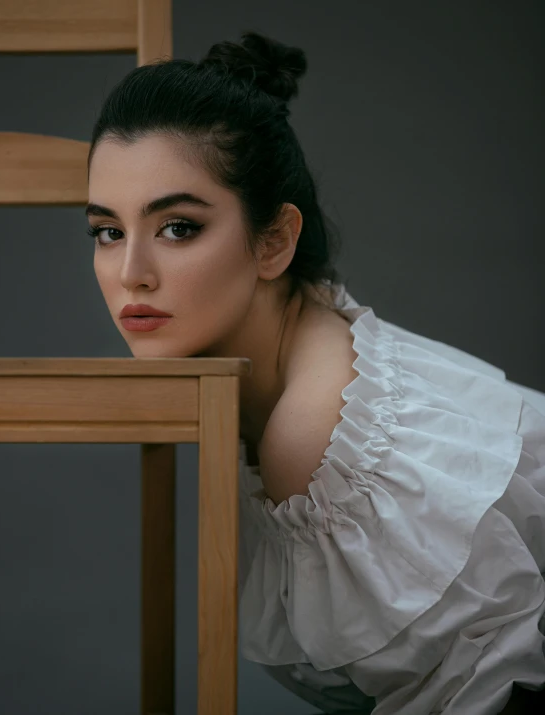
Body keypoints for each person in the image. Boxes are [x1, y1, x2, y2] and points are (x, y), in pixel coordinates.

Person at [85, 31, 545, 715]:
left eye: (177, 227)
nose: (130, 274)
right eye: (106, 231)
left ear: (275, 240)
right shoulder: (300, 348)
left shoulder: (316, 436)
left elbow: (490, 681)